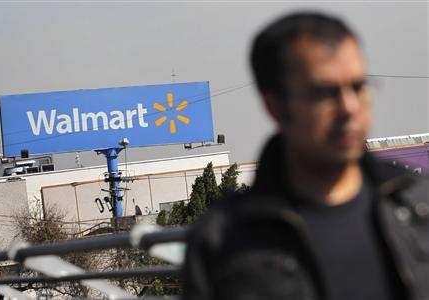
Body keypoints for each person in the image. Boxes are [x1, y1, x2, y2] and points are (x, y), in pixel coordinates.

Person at [184, 12, 429, 300]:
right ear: (274, 105)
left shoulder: (417, 206)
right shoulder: (223, 238)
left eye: (358, 87)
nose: (349, 107)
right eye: (324, 93)